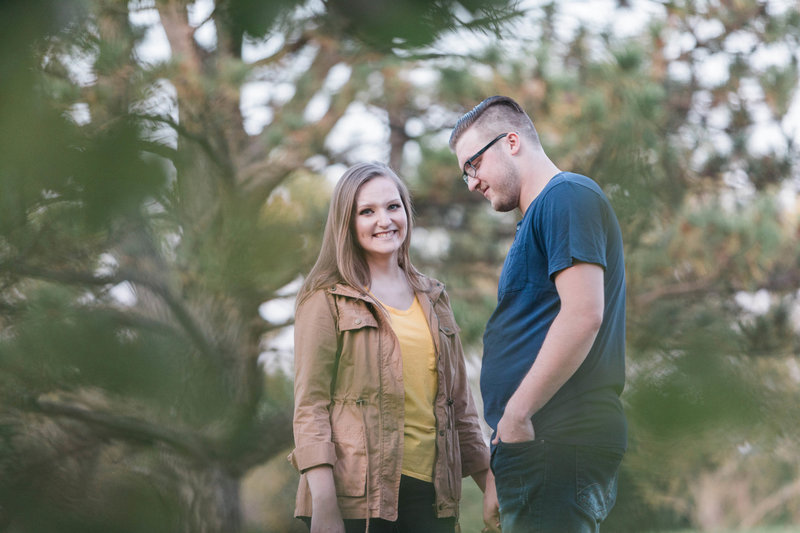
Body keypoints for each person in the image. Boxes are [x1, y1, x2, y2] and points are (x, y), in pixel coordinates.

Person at [449, 95, 627, 533]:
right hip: (533, 447)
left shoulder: (566, 196)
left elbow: (584, 314)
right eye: (464, 173)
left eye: (473, 164)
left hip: (557, 443)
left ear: (511, 142)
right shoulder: (537, 217)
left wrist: (516, 417)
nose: (471, 183)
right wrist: (502, 456)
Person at [289, 161, 498, 533]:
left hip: (434, 497)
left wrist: (489, 485)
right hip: (356, 500)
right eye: (366, 211)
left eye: (392, 206)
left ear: (405, 211)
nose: (384, 220)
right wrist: (323, 503)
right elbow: (311, 407)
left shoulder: (434, 297)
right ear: (347, 223)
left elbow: (459, 403)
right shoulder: (325, 299)